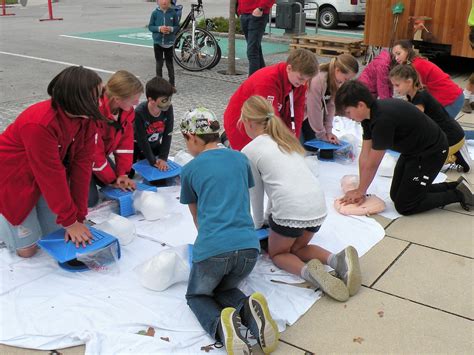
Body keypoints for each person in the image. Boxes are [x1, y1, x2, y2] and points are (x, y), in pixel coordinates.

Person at [240, 95, 362, 301]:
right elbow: (280, 186)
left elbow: (257, 193)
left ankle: (313, 275)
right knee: (299, 248)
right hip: (317, 208)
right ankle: (335, 260)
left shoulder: (249, 151)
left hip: (291, 211)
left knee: (278, 254)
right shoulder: (287, 141)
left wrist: (258, 223)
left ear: (249, 123)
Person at [179, 107, 279, 354]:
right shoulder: (240, 158)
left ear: (191, 137)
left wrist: (207, 248)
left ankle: (224, 328)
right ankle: (248, 311)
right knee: (223, 288)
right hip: (248, 249)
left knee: (198, 296)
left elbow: (197, 217)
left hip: (215, 249)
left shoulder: (190, 169)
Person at [0, 66, 103, 258]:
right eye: (95, 97)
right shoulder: (40, 124)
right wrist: (70, 222)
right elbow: (50, 174)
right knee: (28, 251)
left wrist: (78, 217)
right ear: (76, 99)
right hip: (15, 175)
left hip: (43, 175)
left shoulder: (87, 119)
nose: (99, 102)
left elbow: (82, 167)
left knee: (53, 235)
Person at [335, 80, 473, 215]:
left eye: (348, 113)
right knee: (396, 195)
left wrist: (361, 191)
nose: (348, 117)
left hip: (431, 152)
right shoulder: (367, 118)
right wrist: (360, 189)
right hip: (412, 151)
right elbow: (364, 156)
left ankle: (459, 194)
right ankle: (455, 186)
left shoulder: (382, 120)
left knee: (405, 205)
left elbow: (373, 163)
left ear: (360, 105)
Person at [224, 48, 319, 151]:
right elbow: (267, 118)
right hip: (242, 123)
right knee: (250, 157)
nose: (303, 83)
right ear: (289, 68)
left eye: (307, 80)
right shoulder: (267, 82)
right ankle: (227, 142)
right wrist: (281, 144)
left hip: (266, 120)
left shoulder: (299, 84)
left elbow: (297, 115)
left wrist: (293, 140)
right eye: (301, 78)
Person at [389, 64, 470, 172]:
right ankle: (452, 154)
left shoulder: (420, 98)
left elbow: (414, 124)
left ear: (409, 82)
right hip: (450, 134)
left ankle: (451, 157)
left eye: (397, 85)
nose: (394, 89)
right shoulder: (413, 95)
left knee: (419, 161)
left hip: (453, 138)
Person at [89, 70, 144, 207]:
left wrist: (123, 174)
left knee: (115, 180)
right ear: (117, 99)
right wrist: (112, 179)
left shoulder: (126, 112)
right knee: (90, 200)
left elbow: (125, 145)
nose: (137, 103)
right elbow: (94, 155)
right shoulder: (95, 113)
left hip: (99, 154)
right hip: (79, 158)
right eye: (133, 100)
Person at [392, 40, 463, 119]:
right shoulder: (414, 63)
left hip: (451, 99)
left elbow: (417, 96)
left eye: (398, 54)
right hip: (450, 96)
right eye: (394, 55)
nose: (396, 58)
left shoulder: (416, 66)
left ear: (408, 51)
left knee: (437, 128)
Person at [303, 54, 359, 144]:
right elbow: (314, 109)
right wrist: (322, 134)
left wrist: (328, 131)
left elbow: (330, 106)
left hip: (312, 116)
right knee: (306, 147)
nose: (346, 82)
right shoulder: (318, 79)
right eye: (346, 78)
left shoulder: (336, 81)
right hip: (301, 115)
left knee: (313, 145)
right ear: (337, 70)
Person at [133, 77, 176, 171]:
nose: (168, 103)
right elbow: (142, 140)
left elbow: (168, 133)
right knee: (130, 174)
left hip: (155, 144)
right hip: (136, 146)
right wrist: (153, 161)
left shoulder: (168, 108)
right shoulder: (139, 113)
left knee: (162, 173)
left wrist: (163, 158)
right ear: (151, 100)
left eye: (169, 99)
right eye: (164, 100)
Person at [238, 0, 276, 76]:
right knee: (256, 49)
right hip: (244, 13)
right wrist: (239, 10)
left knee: (252, 52)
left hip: (258, 14)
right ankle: (263, 77)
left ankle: (251, 83)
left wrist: (261, 8)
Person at [148, 0, 179, 86]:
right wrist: (159, 29)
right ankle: (159, 85)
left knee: (169, 64)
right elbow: (150, 26)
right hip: (158, 42)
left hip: (169, 43)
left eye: (166, 0)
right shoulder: (155, 13)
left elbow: (177, 26)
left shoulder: (173, 13)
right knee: (159, 63)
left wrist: (171, 29)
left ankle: (172, 84)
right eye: (161, 0)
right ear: (158, 1)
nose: (164, 1)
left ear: (170, 1)